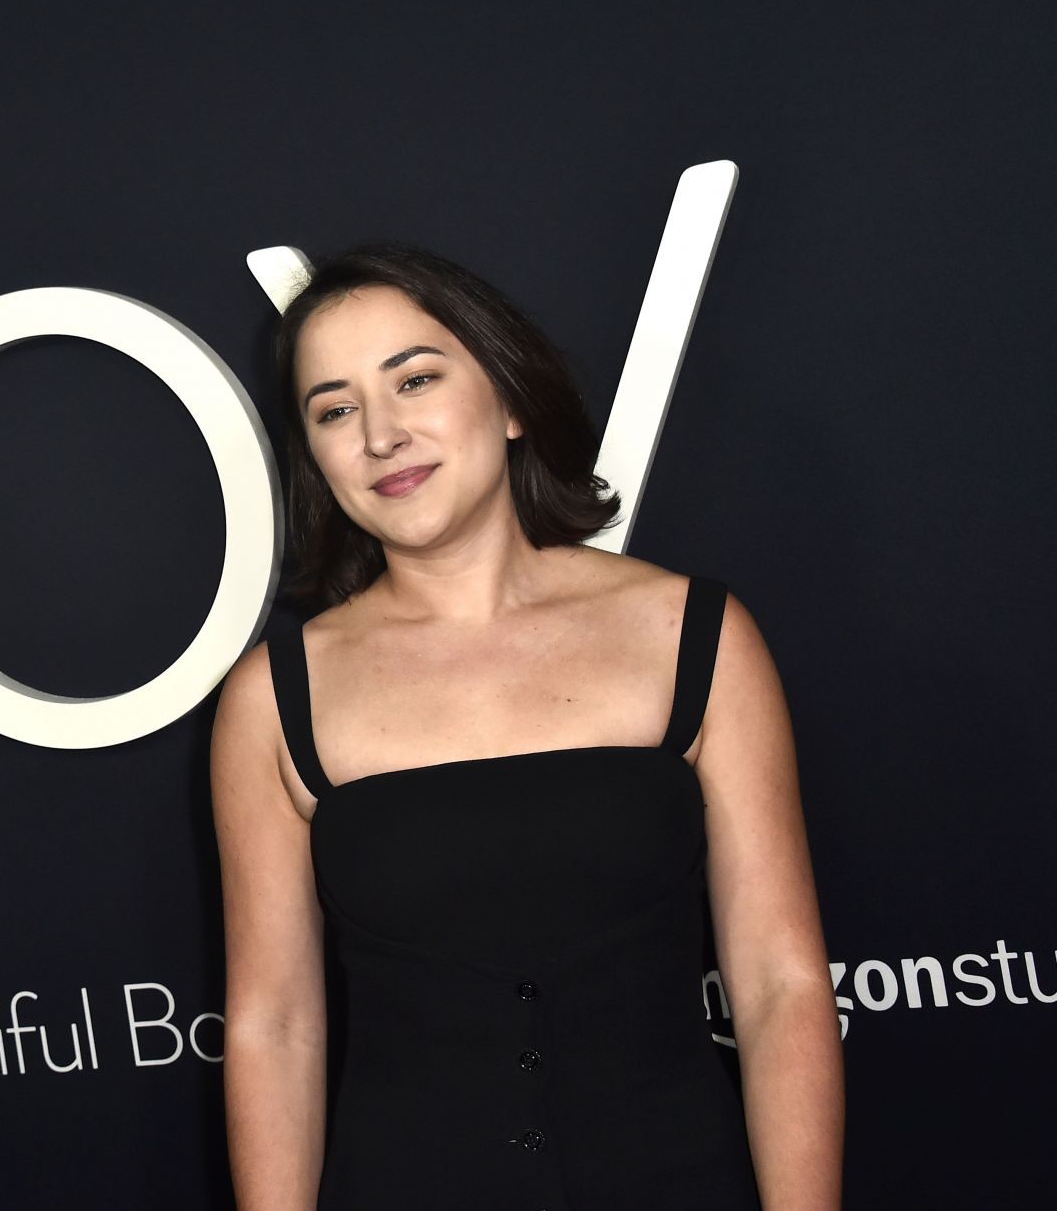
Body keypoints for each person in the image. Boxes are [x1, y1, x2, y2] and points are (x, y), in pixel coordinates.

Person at [209, 244, 844, 1210]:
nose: (382, 435)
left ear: (507, 401)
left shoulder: (694, 634)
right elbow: (276, 1027)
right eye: (335, 409)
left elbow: (781, 985)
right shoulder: (274, 696)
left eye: (415, 379)